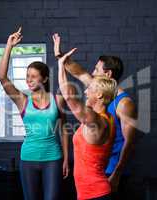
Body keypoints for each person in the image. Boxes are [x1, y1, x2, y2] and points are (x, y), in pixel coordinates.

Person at [53, 33, 136, 199]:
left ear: (108, 74)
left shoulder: (124, 103)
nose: (91, 72)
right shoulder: (100, 95)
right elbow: (79, 73)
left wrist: (117, 173)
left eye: (96, 69)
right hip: (95, 170)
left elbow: (129, 142)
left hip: (110, 170)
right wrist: (60, 56)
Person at [0, 28, 69, 200]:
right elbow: (2, 77)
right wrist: (9, 46)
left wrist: (66, 158)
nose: (28, 80)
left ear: (44, 79)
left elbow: (64, 129)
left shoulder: (57, 99)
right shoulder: (23, 100)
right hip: (28, 158)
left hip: (53, 158)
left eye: (33, 76)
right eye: (27, 76)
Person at [58, 48, 117, 200]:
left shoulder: (98, 121)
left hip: (96, 194)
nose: (85, 92)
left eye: (89, 89)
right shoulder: (106, 118)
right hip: (92, 193)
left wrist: (60, 65)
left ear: (99, 94)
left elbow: (69, 97)